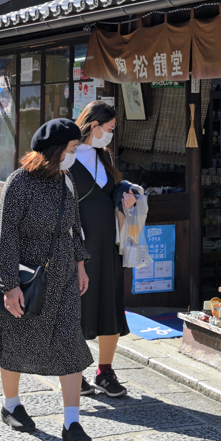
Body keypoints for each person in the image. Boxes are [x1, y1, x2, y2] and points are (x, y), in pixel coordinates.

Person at [0, 118, 93, 441]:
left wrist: (81, 264)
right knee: (17, 339)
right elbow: (5, 234)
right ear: (55, 151)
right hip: (28, 276)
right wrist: (9, 284)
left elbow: (74, 226)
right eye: (71, 149)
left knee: (70, 341)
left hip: (64, 275)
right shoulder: (19, 183)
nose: (75, 154)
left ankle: (72, 423)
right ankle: (11, 404)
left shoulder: (66, 180)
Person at [72, 101, 136, 398]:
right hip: (79, 245)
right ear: (94, 126)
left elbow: (115, 187)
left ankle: (105, 371)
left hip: (108, 244)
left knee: (110, 304)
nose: (110, 135)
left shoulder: (104, 156)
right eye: (108, 129)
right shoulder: (67, 156)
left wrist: (125, 191)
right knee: (78, 307)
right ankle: (75, 369)